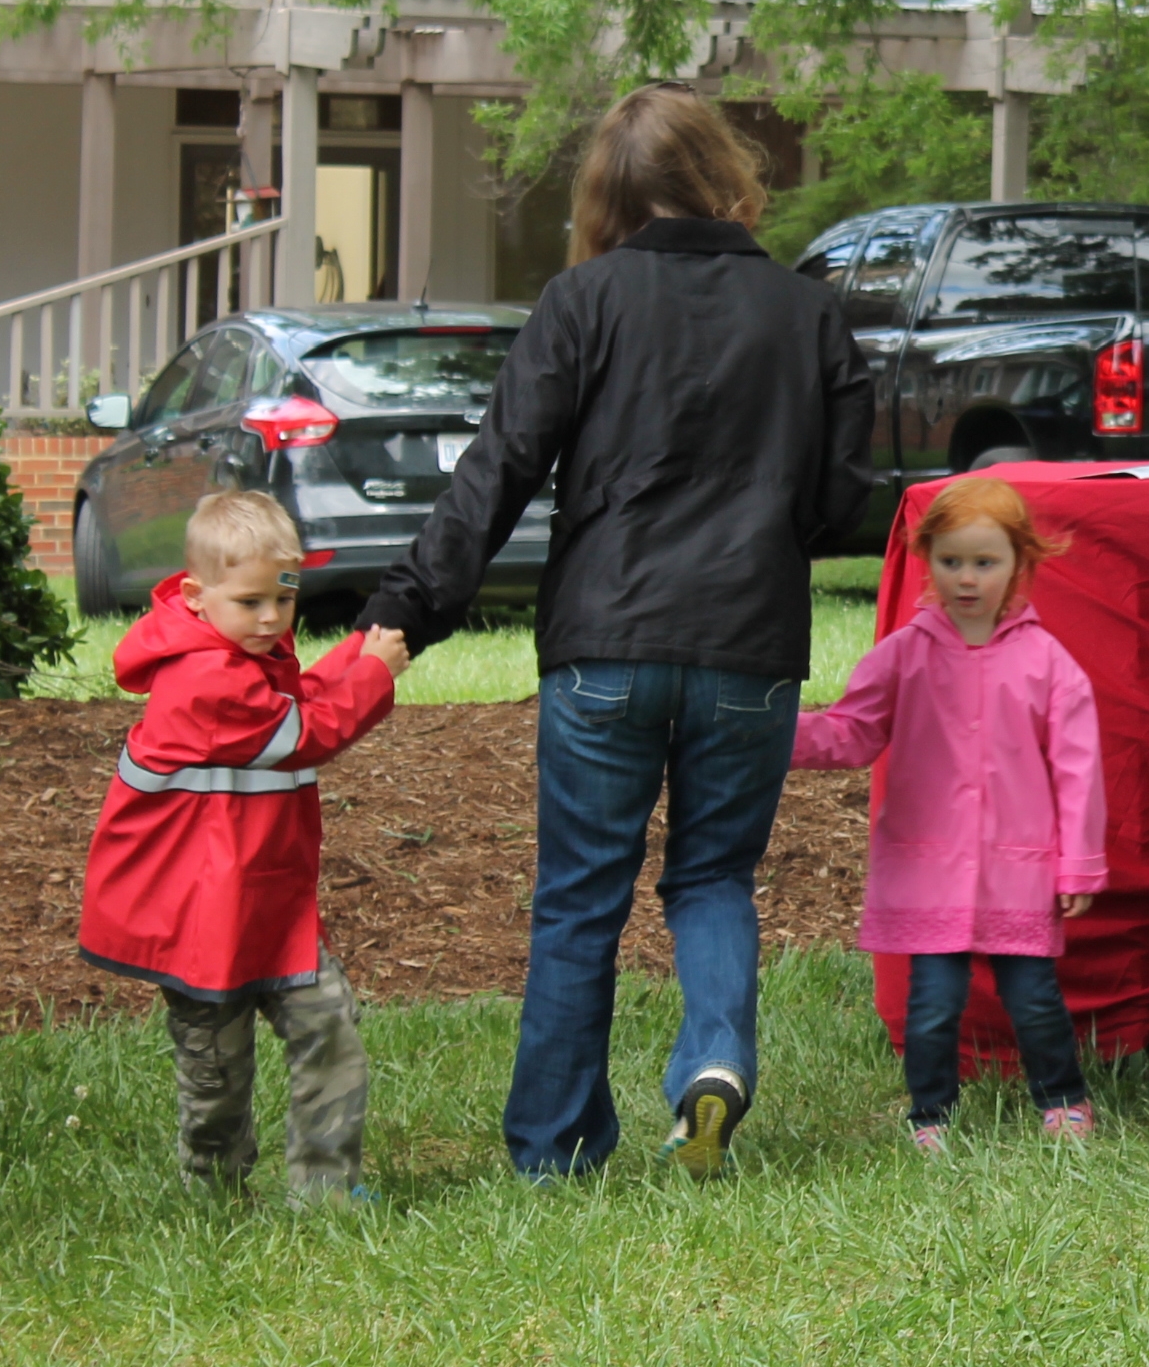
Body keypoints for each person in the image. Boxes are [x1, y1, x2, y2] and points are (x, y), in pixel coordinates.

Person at [360, 82, 875, 1181]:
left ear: (608, 193)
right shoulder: (808, 312)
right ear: (725, 174)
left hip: (603, 647)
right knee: (714, 878)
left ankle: (554, 1148)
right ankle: (713, 1061)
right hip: (750, 649)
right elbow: (840, 504)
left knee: (580, 892)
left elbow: (495, 471)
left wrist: (406, 613)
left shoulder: (581, 301)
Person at [76, 489, 405, 1205]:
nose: (271, 618)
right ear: (195, 596)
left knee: (329, 1028)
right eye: (250, 602)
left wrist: (359, 648)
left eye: (284, 600)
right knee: (216, 1072)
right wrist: (376, 675)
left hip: (266, 908)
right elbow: (304, 733)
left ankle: (326, 1187)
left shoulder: (239, 653)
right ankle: (213, 1190)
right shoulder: (202, 679)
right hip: (197, 921)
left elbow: (299, 698)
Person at [792, 475, 1109, 1155]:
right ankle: (930, 1114)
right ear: (926, 558)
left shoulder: (1047, 662)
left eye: (985, 562)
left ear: (1020, 564)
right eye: (951, 561)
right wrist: (772, 736)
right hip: (930, 866)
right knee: (932, 1006)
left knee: (1033, 1000)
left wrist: (1078, 862)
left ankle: (1064, 1099)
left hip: (1017, 868)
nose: (967, 579)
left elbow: (1079, 767)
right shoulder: (903, 656)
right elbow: (851, 732)